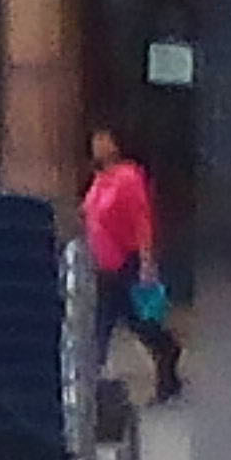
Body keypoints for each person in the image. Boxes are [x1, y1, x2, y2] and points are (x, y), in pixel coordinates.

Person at [84, 123, 181, 404]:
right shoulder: (99, 178)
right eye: (95, 139)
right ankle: (92, 379)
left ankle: (165, 352)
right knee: (102, 322)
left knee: (138, 319)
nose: (97, 145)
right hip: (102, 263)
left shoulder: (129, 177)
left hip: (125, 261)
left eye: (103, 139)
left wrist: (147, 261)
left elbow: (141, 220)